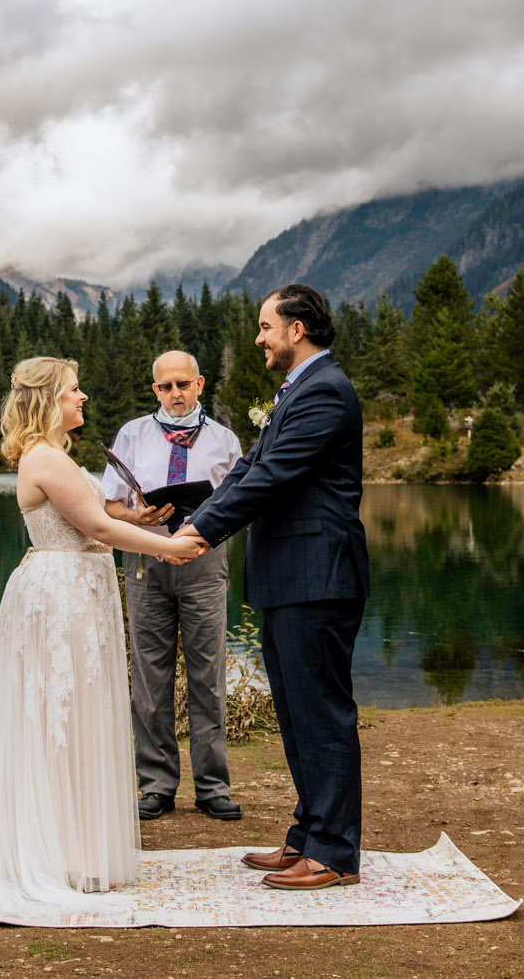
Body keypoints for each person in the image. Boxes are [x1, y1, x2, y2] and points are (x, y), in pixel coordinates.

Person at [0, 357, 207, 929]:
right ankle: (53, 853)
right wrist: (170, 547)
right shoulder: (45, 457)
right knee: (59, 716)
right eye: (74, 390)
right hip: (59, 597)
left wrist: (146, 519)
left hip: (78, 589)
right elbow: (99, 530)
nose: (83, 398)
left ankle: (74, 848)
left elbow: (100, 518)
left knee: (78, 714)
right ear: (48, 399)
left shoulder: (59, 456)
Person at [175, 284, 369, 891]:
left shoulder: (327, 393)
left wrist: (202, 533)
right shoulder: (298, 390)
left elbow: (277, 478)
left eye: (265, 326)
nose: (258, 338)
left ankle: (334, 853)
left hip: (318, 576)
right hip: (291, 579)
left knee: (322, 715)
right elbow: (249, 469)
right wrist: (192, 521)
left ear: (298, 328)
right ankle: (309, 833)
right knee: (295, 714)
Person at [101, 350, 246, 823]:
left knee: (208, 674)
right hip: (145, 558)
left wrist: (206, 528)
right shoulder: (132, 434)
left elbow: (243, 503)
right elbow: (109, 507)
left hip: (204, 561)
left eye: (183, 384)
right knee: (149, 675)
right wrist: (136, 516)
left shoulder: (225, 441)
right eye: (166, 387)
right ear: (155, 390)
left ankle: (212, 787)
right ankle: (157, 785)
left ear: (200, 384)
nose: (175, 393)